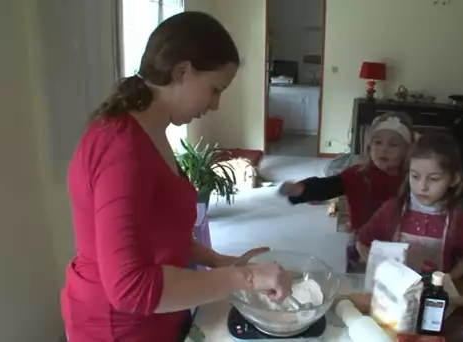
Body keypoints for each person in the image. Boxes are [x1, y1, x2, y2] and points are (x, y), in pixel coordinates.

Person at [61, 12, 292, 342]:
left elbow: (157, 228)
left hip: (159, 319)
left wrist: (214, 259)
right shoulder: (121, 147)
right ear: (182, 71)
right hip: (117, 328)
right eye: (214, 89)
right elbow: (130, 288)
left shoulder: (151, 131)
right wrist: (247, 277)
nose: (215, 105)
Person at [280, 112, 414, 272]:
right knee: (361, 286)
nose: (384, 149)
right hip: (362, 246)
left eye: (393, 145)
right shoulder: (358, 175)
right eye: (378, 142)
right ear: (369, 146)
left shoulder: (412, 179)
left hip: (400, 246)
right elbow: (328, 186)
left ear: (407, 151)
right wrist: (300, 189)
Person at [356, 132, 463, 279]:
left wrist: (450, 279)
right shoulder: (391, 209)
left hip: (432, 295)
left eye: (434, 179)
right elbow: (362, 243)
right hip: (396, 293)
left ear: (453, 179)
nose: (422, 186)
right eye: (415, 176)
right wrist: (377, 271)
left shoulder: (456, 217)